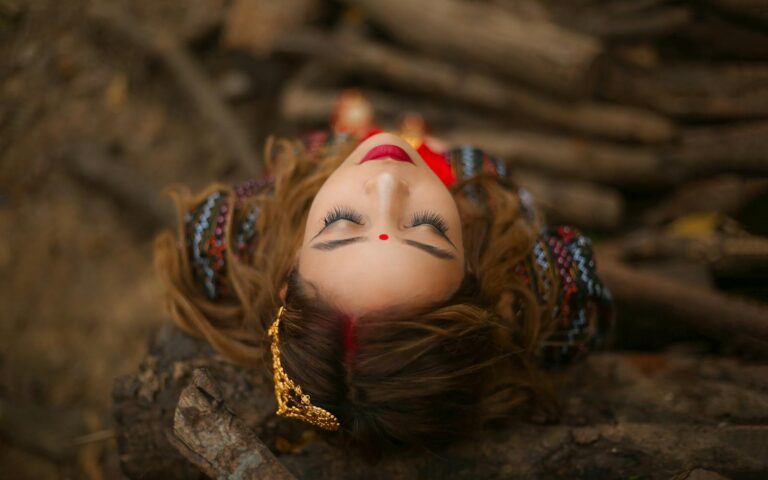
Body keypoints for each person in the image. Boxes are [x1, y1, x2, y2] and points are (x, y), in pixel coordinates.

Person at [154, 91, 613, 452]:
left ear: (289, 272)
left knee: (348, 133)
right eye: (429, 228)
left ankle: (357, 131)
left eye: (341, 222)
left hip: (329, 157)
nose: (387, 183)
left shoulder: (238, 233)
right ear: (473, 272)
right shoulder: (520, 251)